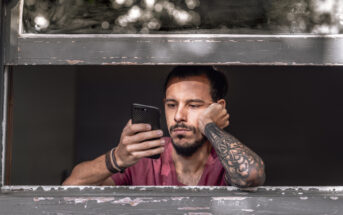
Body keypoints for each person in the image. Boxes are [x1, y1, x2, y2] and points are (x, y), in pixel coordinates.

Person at [63, 66, 265, 187]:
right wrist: (117, 158)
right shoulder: (144, 158)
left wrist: (209, 126)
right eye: (171, 105)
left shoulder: (226, 160)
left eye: (193, 105)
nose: (178, 116)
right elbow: (70, 186)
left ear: (217, 108)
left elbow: (251, 175)